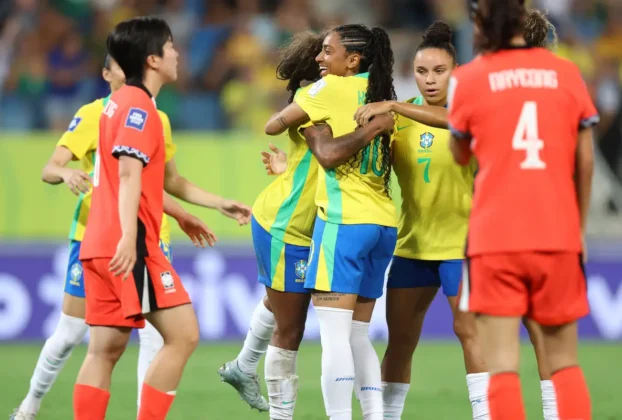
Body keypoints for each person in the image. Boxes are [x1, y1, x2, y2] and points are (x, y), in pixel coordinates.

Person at [10, 49, 252, 419]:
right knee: (72, 334)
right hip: (100, 235)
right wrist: (67, 173)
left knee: (152, 338)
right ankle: (29, 406)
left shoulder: (157, 117)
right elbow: (61, 169)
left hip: (148, 235)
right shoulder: (95, 114)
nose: (126, 73)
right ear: (106, 74)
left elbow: (160, 181)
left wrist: (206, 206)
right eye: (118, 67)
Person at [354, 11, 563, 420]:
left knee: (470, 333)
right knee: (400, 343)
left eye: (439, 71)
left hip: (464, 246)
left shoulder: (471, 110)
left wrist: (393, 104)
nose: (430, 80)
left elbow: (456, 123)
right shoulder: (397, 121)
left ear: (456, 73)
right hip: (413, 245)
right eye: (421, 71)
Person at [71, 17, 246, 420]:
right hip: (129, 243)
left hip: (97, 241)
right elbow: (128, 175)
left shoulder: (117, 104)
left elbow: (160, 181)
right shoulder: (138, 108)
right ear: (152, 59)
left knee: (104, 350)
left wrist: (213, 204)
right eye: (170, 47)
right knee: (183, 335)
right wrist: (128, 237)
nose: (177, 54)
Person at [219, 29, 394, 420]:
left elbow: (316, 159)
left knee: (285, 303)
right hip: (286, 223)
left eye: (328, 53)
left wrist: (290, 165)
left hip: (320, 224)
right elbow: (279, 129)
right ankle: (266, 395)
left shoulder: (354, 95)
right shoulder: (317, 97)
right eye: (320, 54)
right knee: (291, 327)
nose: (322, 60)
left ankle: (244, 364)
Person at [449, 0, 597, 419]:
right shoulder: (566, 73)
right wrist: (578, 229)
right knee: (564, 362)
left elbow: (460, 154)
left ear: (482, 24)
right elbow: (585, 161)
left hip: (494, 238)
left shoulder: (469, 78)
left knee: (501, 364)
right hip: (557, 233)